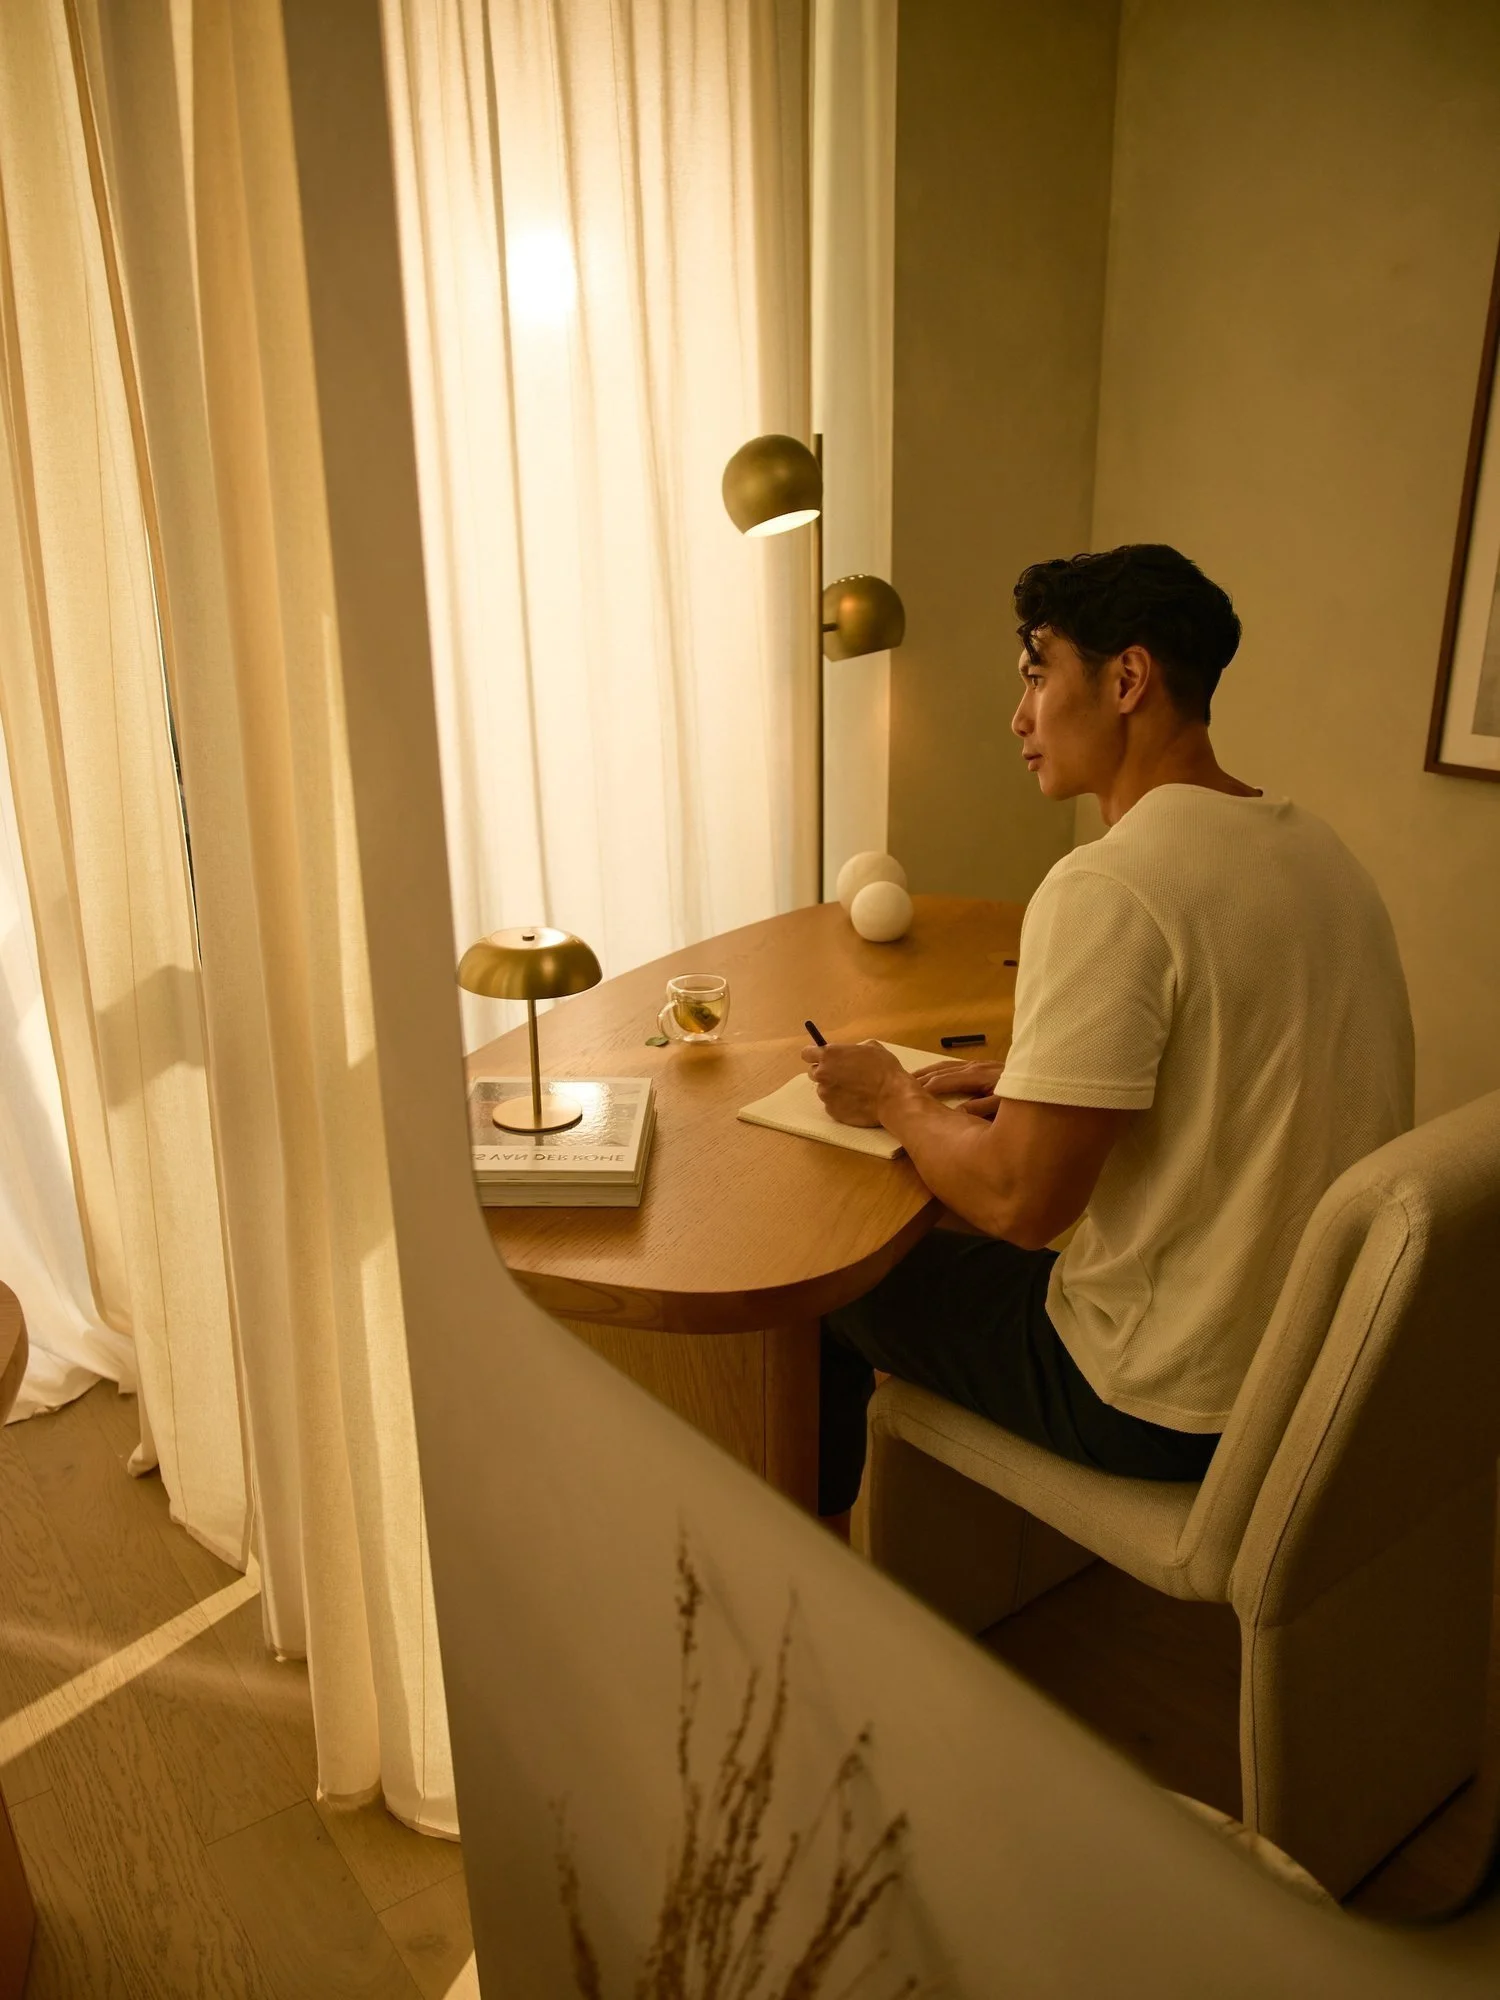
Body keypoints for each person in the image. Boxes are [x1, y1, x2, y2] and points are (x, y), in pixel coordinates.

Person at [807, 543, 1414, 1532]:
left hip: (1169, 1397)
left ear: (1126, 678)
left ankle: (807, 1598)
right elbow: (1239, 1068)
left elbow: (1021, 1200)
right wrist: (1043, 1085)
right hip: (1316, 1370)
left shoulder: (1110, 883)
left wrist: (894, 1096)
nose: (1019, 717)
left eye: (1037, 673)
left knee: (825, 1291)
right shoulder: (1315, 847)